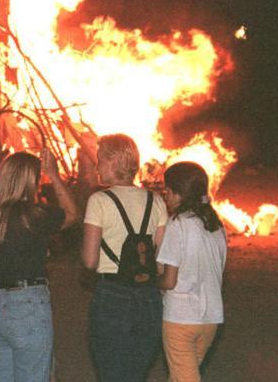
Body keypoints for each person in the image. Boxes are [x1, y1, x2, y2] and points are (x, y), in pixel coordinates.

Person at [0, 149, 79, 382]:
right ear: (31, 181)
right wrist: (54, 175)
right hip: (27, 304)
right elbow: (71, 214)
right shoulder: (35, 215)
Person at [81, 134, 168, 382]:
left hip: (112, 294)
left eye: (99, 160)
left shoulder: (98, 201)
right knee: (136, 373)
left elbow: (89, 261)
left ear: (113, 161)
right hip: (148, 296)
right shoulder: (157, 201)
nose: (96, 166)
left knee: (110, 373)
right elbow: (161, 260)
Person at [156, 162, 227, 382]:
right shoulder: (216, 226)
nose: (165, 195)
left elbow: (169, 280)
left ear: (179, 193)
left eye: (167, 190)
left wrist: (149, 280)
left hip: (181, 318)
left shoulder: (178, 224)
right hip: (210, 318)